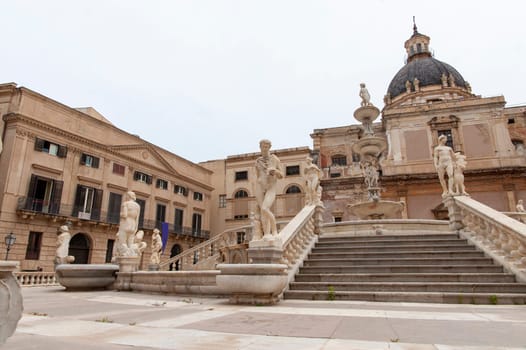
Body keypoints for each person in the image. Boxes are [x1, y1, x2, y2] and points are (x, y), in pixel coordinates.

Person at [254, 139, 283, 240]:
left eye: (266, 147)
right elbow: (258, 175)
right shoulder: (258, 161)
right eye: (263, 147)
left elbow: (281, 175)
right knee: (262, 212)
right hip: (260, 187)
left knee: (265, 209)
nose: (264, 149)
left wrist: (275, 171)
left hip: (271, 187)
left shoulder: (274, 159)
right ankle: (266, 234)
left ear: (269, 147)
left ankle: (274, 231)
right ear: (260, 147)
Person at [115, 191, 141, 257]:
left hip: (125, 223)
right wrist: (136, 228)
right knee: (130, 244)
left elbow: (124, 215)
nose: (126, 197)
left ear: (128, 196)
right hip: (133, 225)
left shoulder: (126, 204)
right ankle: (130, 257)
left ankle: (124, 257)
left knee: (122, 242)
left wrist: (120, 214)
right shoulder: (137, 206)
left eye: (126, 196)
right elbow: (137, 219)